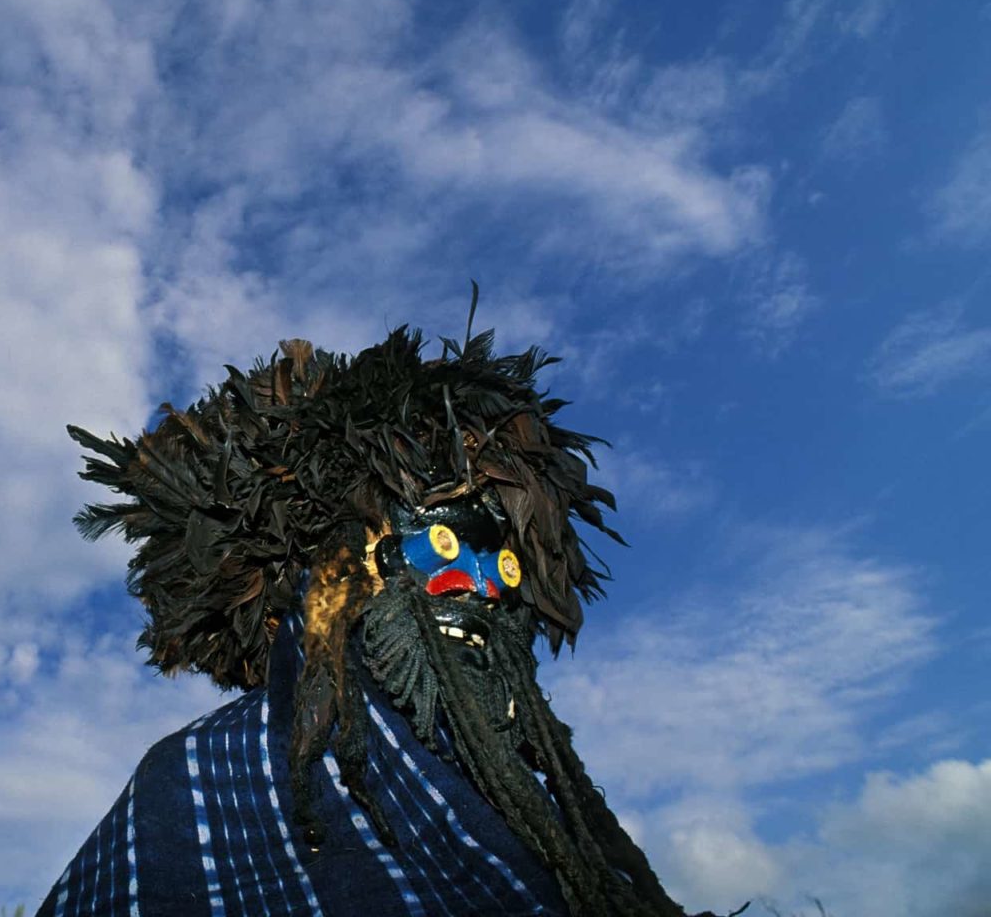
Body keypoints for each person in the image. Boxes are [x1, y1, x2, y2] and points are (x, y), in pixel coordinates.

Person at [45, 324, 727, 917]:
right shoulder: (196, 782)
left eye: (505, 567)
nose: (476, 585)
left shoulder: (547, 827)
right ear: (336, 574)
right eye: (441, 546)